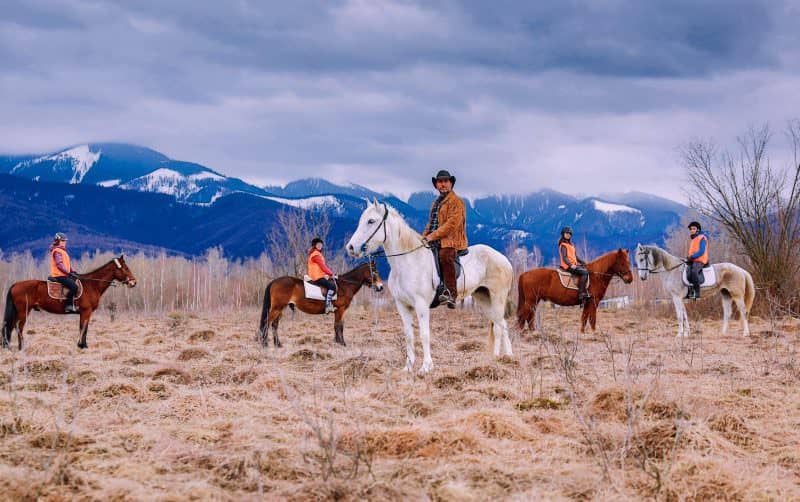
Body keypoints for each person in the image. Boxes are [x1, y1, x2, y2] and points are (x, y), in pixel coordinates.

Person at [422, 170, 468, 309]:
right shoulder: (435, 203)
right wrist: (422, 237)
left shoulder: (457, 202)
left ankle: (451, 294)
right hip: (435, 239)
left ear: (451, 184)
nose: (443, 184)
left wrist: (432, 236)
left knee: (445, 256)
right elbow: (431, 224)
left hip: (452, 240)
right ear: (436, 185)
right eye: (440, 182)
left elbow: (451, 225)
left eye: (445, 181)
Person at [49, 232, 80, 313]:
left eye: (65, 241)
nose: (65, 242)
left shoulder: (63, 251)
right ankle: (68, 306)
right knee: (74, 287)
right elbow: (59, 265)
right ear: (57, 241)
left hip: (64, 274)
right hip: (59, 275)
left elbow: (67, 265)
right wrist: (68, 273)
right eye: (63, 241)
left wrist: (73, 271)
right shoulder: (57, 251)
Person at [558, 226, 591, 301]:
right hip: (567, 266)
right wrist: (570, 265)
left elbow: (575, 256)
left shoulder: (571, 245)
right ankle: (581, 293)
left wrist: (583, 262)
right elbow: (564, 257)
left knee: (586, 269)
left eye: (569, 233)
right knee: (584, 273)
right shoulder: (563, 245)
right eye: (566, 233)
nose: (568, 235)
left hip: (574, 265)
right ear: (563, 234)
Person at [307, 237, 337, 314]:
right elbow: (323, 266)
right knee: (332, 286)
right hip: (317, 277)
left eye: (321, 244)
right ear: (314, 245)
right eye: (318, 244)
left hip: (319, 275)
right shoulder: (316, 255)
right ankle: (328, 306)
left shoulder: (316, 254)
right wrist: (331, 274)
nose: (320, 246)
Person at [685, 221, 709, 300]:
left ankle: (697, 293)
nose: (691, 230)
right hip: (693, 259)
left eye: (693, 229)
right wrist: (688, 257)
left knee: (694, 271)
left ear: (698, 230)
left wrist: (692, 256)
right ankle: (690, 291)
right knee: (686, 270)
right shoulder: (693, 239)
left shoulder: (702, 238)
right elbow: (692, 252)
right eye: (691, 229)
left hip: (700, 260)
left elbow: (702, 251)